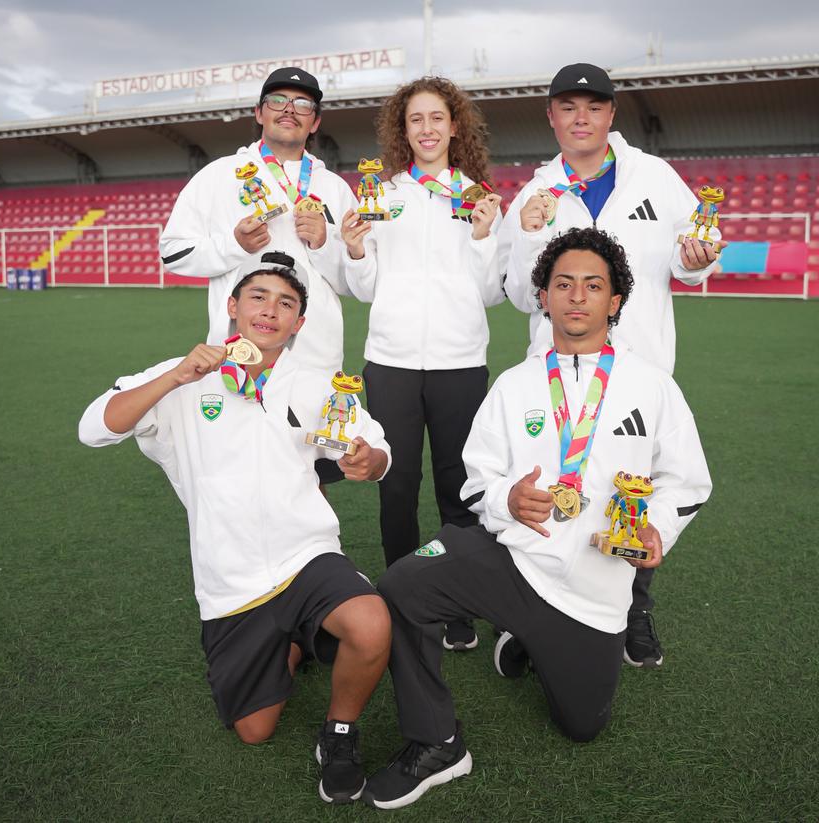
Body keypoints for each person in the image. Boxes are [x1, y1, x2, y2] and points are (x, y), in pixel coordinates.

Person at [362, 228, 712, 809]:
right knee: (402, 582)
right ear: (544, 297)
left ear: (615, 302)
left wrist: (658, 528)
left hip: (594, 592)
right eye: (563, 284)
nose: (577, 297)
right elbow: (475, 479)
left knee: (582, 727)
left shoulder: (652, 387)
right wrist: (507, 499)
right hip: (514, 563)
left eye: (593, 286)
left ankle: (529, 643)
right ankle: (437, 741)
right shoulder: (514, 384)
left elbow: (689, 481)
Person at [78, 255, 392, 805]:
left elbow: (375, 445)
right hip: (232, 575)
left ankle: (338, 733)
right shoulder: (184, 376)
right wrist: (174, 376)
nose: (270, 310)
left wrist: (373, 461)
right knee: (255, 730)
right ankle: (299, 639)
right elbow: (94, 429)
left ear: (298, 324)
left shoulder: (317, 386)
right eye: (258, 297)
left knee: (371, 623)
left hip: (307, 554)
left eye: (286, 303)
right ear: (232, 307)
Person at [497, 62, 722, 667]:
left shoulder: (655, 176)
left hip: (639, 372)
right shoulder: (534, 193)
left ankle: (633, 612)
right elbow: (521, 295)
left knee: (633, 492)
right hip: (556, 374)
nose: (580, 118)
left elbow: (689, 260)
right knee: (554, 487)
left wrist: (699, 258)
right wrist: (523, 235)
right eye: (568, 108)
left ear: (610, 115)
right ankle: (535, 611)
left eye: (592, 107)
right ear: (551, 117)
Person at [340, 77, 504, 652]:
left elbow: (491, 292)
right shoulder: (382, 196)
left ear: (455, 125)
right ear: (401, 130)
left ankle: (454, 601)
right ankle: (402, 601)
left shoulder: (479, 199)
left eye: (437, 118)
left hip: (461, 364)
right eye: (416, 120)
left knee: (459, 488)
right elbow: (365, 289)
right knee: (396, 486)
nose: (428, 129)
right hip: (390, 362)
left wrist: (484, 237)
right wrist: (357, 249)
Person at [159, 67, 355, 373]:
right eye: (278, 100)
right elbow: (172, 253)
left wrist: (324, 244)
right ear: (259, 113)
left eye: (302, 105)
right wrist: (234, 246)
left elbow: (353, 283)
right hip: (239, 352)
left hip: (316, 358)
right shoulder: (218, 174)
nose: (290, 110)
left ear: (314, 122)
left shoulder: (335, 187)